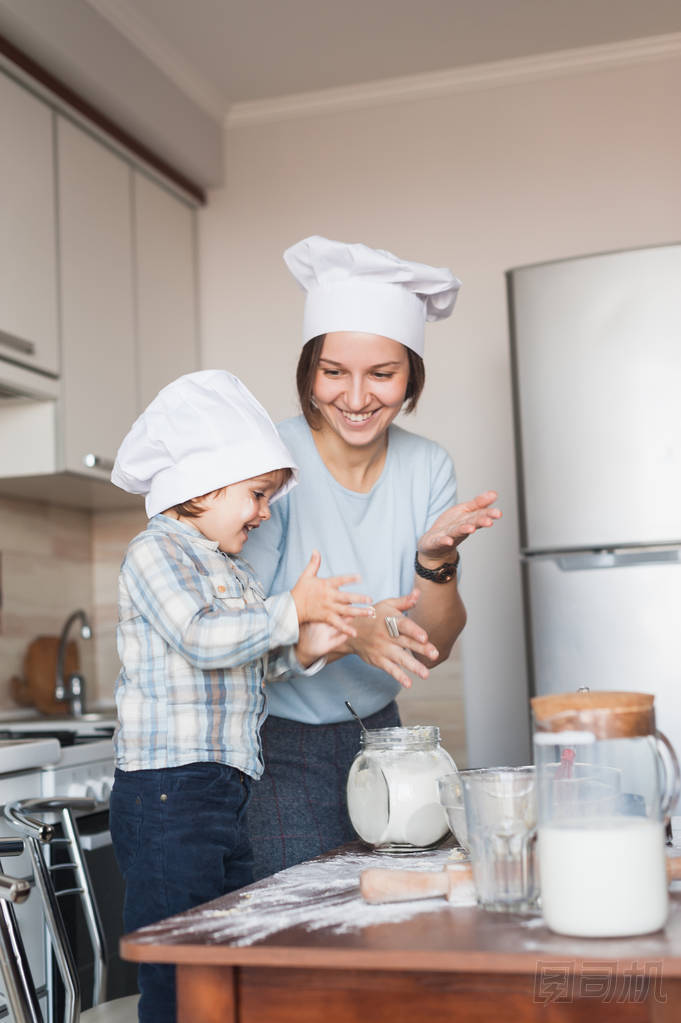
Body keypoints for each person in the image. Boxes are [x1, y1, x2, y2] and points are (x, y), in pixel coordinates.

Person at [108, 369, 373, 1023]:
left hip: (223, 791)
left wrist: (307, 645)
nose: (264, 512)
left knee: (226, 948)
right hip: (166, 793)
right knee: (180, 960)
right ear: (204, 484)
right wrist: (290, 608)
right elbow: (201, 637)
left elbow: (245, 658)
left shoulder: (231, 568)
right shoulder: (156, 553)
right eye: (256, 494)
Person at [245, 236, 502, 878]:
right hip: (277, 742)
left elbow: (431, 648)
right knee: (304, 915)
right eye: (334, 372)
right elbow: (244, 629)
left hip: (385, 733)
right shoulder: (267, 460)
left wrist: (432, 560)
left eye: (382, 374)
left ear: (411, 376)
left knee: (391, 906)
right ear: (309, 372)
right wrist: (351, 631)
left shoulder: (428, 466)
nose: (356, 398)